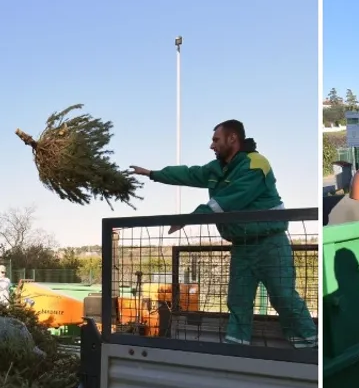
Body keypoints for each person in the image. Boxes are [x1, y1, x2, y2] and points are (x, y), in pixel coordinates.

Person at [129, 120, 317, 348]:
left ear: (232, 138)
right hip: (242, 245)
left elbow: (230, 199)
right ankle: (237, 347)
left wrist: (191, 217)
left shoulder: (255, 164)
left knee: (284, 297)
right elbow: (189, 174)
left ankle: (309, 345)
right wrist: (152, 174)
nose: (211, 145)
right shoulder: (218, 168)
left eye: (215, 140)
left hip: (271, 244)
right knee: (237, 300)